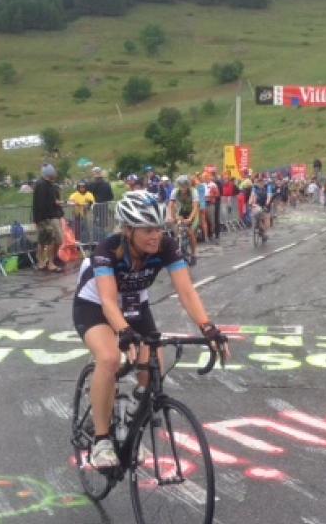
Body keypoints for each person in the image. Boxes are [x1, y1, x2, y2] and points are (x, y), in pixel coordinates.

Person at [72, 190, 228, 467]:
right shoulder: (107, 250)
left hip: (134, 303)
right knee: (109, 358)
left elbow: (186, 291)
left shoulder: (165, 247)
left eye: (158, 228)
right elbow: (108, 301)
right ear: (128, 230)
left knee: (154, 362)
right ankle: (101, 439)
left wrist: (208, 328)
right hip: (95, 304)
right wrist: (124, 332)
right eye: (147, 230)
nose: (155, 235)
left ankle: (131, 418)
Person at [33, 164, 65, 272]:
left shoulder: (48, 185)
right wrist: (40, 219)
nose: (55, 176)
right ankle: (47, 263)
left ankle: (44, 262)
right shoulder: (42, 185)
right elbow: (40, 204)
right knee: (46, 241)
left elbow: (49, 201)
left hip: (46, 217)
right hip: (45, 218)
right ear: (50, 174)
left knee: (46, 241)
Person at [169, 175, 200, 264]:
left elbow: (195, 207)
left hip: (192, 212)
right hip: (182, 210)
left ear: (188, 185)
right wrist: (173, 217)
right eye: (180, 186)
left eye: (184, 186)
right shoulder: (175, 191)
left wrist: (190, 218)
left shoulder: (194, 191)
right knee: (177, 229)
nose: (183, 189)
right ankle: (181, 246)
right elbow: (171, 205)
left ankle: (194, 254)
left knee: (190, 232)